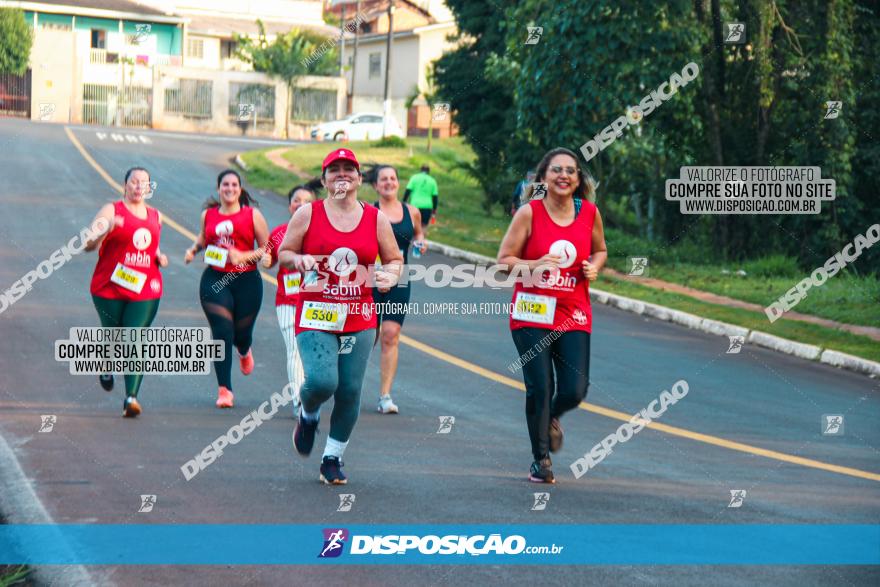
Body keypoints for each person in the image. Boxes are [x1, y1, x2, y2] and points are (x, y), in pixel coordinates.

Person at [279, 148, 402, 485]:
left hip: (360, 315)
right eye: (335, 170)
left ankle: (332, 458)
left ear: (360, 180)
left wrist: (390, 276)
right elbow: (284, 252)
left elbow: (393, 258)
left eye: (350, 169)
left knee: (349, 390)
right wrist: (297, 260)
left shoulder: (375, 218)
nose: (342, 175)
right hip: (317, 312)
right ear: (324, 180)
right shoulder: (308, 213)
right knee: (322, 381)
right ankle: (309, 413)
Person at [497, 147, 607, 484]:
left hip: (573, 313)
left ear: (578, 180)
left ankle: (551, 418)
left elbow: (601, 249)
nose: (563, 175)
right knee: (540, 387)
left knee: (575, 389)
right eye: (556, 170)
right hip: (532, 311)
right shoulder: (529, 213)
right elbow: (503, 262)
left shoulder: (588, 213)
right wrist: (534, 265)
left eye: (571, 171)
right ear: (543, 177)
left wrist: (594, 267)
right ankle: (540, 459)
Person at [84, 167, 168, 417]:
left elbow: (152, 246)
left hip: (145, 287)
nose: (139, 186)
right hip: (109, 285)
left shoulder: (156, 216)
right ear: (125, 185)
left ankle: (131, 397)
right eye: (134, 181)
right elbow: (89, 243)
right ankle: (106, 364)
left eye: (144, 182)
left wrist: (159, 256)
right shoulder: (111, 210)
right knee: (112, 334)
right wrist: (98, 234)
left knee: (135, 337)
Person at [184, 169, 270, 409]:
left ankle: (244, 350)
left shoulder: (253, 216)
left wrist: (244, 255)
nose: (229, 188)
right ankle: (225, 390)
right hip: (214, 279)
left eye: (234, 184)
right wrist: (193, 250)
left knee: (241, 334)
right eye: (225, 184)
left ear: (240, 189)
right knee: (222, 331)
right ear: (218, 188)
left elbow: (268, 248)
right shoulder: (208, 215)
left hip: (246, 281)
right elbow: (203, 238)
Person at [365, 164, 427, 414]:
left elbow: (419, 236)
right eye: (383, 179)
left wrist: (420, 244)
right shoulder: (368, 212)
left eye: (392, 178)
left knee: (390, 334)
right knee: (367, 337)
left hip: (400, 278)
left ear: (398, 183)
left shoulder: (411, 212)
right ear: (376, 185)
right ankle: (348, 387)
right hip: (370, 278)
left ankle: (384, 396)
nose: (389, 182)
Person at [265, 182, 320, 416]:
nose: (301, 204)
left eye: (307, 201)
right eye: (296, 200)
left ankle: (310, 393)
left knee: (315, 353)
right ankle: (299, 402)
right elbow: (268, 257)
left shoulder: (322, 234)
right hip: (287, 302)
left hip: (317, 302)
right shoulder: (279, 232)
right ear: (289, 206)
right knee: (294, 349)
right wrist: (266, 261)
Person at [403, 164, 439, 229]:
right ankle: (421, 238)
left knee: (413, 225)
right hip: (427, 207)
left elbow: (408, 191)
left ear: (421, 170)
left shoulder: (414, 178)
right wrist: (434, 209)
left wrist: (404, 202)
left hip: (415, 205)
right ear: (428, 172)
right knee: (424, 226)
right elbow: (435, 197)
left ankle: (413, 239)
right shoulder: (432, 181)